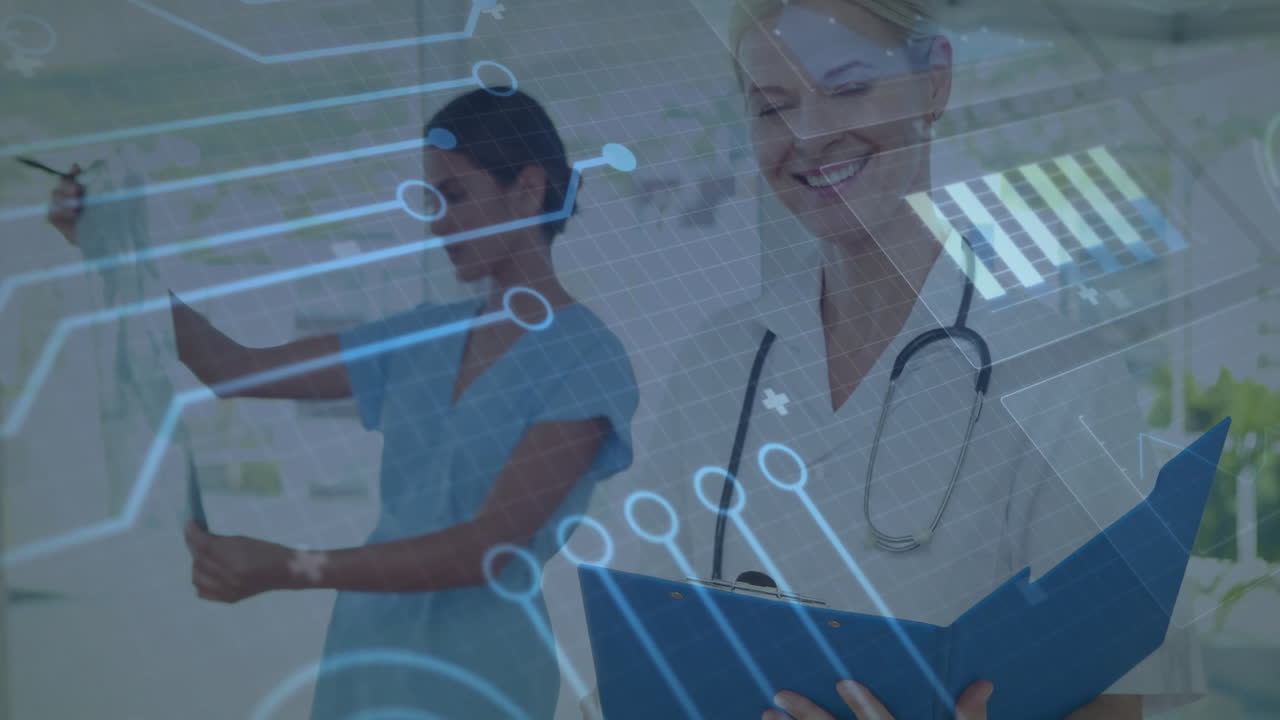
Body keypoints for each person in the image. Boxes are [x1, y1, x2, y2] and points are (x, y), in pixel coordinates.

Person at [593, 1, 1203, 718]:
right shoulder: (719, 360)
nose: (811, 134)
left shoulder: (1060, 372)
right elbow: (652, 646)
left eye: (848, 88)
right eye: (772, 106)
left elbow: (1113, 701)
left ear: (934, 81)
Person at [49, 87, 639, 719]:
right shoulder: (422, 337)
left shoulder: (586, 358)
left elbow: (485, 550)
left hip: (481, 678)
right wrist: (106, 247)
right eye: (433, 200)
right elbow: (230, 367)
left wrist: (289, 566)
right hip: (366, 659)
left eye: (456, 196)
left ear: (527, 188)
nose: (437, 221)